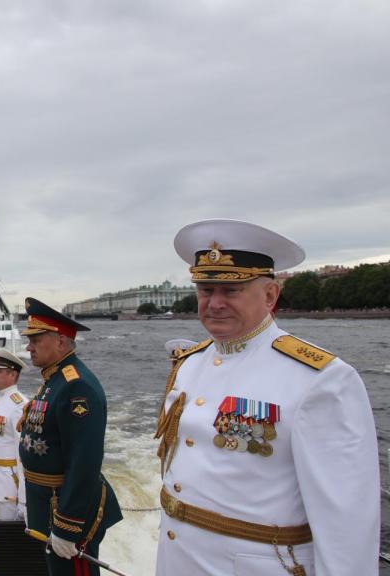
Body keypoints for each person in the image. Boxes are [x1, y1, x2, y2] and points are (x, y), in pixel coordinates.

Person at [155, 219, 379, 575]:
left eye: (231, 291)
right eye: (205, 289)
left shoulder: (321, 379)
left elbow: (346, 518)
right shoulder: (188, 364)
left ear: (271, 295)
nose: (214, 303)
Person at [19, 298, 122, 575]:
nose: (29, 346)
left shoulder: (76, 386)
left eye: (36, 339)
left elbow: (84, 460)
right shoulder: (55, 380)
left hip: (67, 510)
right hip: (48, 503)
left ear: (62, 342)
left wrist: (67, 525)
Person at [0, 347, 29, 521]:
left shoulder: (19, 406)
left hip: (11, 486)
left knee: (13, 540)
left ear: (12, 375)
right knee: (5, 537)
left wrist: (24, 500)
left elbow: (24, 456)